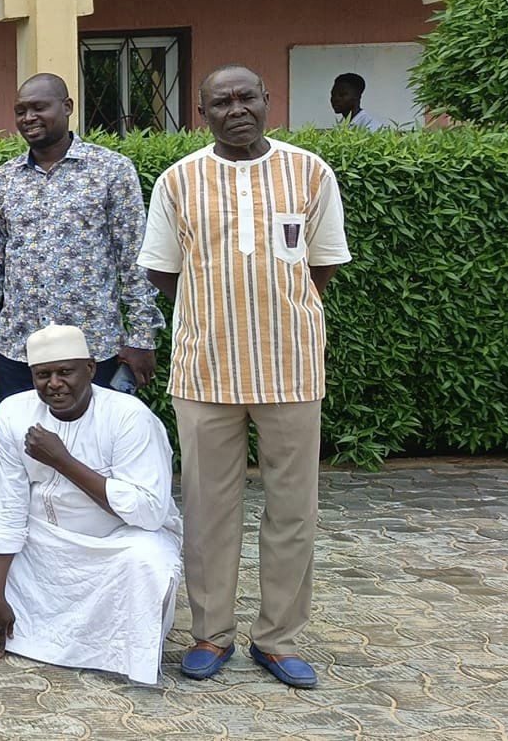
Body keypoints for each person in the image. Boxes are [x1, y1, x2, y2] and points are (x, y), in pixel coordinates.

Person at [141, 64, 351, 689]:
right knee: (208, 507)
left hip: (290, 369)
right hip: (205, 369)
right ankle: (211, 632)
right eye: (220, 102)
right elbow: (164, 272)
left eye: (247, 97)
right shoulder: (179, 181)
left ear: (267, 101)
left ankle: (279, 638)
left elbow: (319, 267)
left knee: (293, 508)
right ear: (200, 112)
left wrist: (272, 314)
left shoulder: (310, 172)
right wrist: (220, 312)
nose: (236, 109)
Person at [0, 324, 183, 685]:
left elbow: (148, 512)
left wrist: (62, 461)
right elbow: (7, 504)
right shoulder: (14, 412)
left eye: (65, 372)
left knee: (147, 561)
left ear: (91, 369)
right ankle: (5, 622)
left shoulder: (129, 417)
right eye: (43, 375)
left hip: (113, 540)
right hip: (43, 533)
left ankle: (109, 650)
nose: (54, 384)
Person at [0, 73, 163, 401]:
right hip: (20, 349)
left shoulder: (111, 170)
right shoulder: (2, 181)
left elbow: (134, 257)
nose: (29, 118)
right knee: (26, 445)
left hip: (93, 347)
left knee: (94, 449)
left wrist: (142, 337)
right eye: (20, 111)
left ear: (68, 106)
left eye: (39, 107)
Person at [329, 72, 393, 131]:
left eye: (342, 94)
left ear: (357, 96)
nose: (335, 99)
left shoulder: (371, 127)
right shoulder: (342, 126)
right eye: (333, 94)